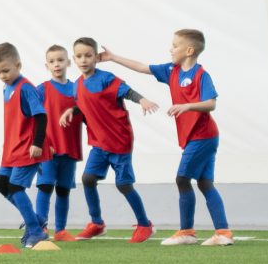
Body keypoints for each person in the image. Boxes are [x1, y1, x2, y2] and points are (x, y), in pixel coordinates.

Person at [100, 31, 232, 246]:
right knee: (205, 183)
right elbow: (143, 67)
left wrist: (188, 105)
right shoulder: (172, 70)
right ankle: (223, 232)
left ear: (189, 51)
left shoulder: (201, 75)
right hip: (195, 138)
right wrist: (114, 58)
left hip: (203, 136)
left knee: (182, 179)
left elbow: (211, 103)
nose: (171, 49)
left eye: (175, 45)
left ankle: (187, 231)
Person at [59, 38, 159, 242]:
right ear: (74, 59)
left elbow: (127, 91)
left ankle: (145, 224)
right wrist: (72, 110)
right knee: (88, 179)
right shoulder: (77, 85)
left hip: (119, 140)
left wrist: (143, 100)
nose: (84, 59)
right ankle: (97, 223)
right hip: (98, 143)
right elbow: (87, 104)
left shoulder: (106, 78)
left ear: (96, 57)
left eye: (88, 55)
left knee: (124, 184)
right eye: (79, 56)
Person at [0, 42, 51, 249]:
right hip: (12, 148)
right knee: (0, 183)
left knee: (16, 187)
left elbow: (41, 116)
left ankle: (35, 230)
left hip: (28, 147)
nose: (3, 75)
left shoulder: (26, 88)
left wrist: (38, 143)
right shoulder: (7, 88)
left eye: (6, 70)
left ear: (19, 65)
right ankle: (35, 219)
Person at [35, 45, 83, 241]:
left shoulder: (77, 89)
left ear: (69, 62)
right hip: (48, 149)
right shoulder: (42, 89)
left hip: (70, 149)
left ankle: (61, 230)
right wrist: (42, 143)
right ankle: (40, 227)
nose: (57, 64)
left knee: (63, 190)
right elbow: (33, 118)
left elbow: (86, 110)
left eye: (60, 60)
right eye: (52, 61)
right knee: (45, 187)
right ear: (47, 65)